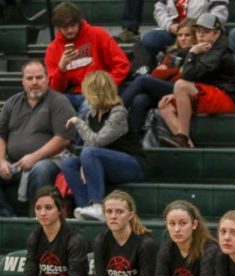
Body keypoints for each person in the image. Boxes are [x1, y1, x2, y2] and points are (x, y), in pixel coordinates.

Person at [60, 71, 146, 222]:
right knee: (68, 164)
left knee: (90, 152)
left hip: (131, 165)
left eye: (88, 92)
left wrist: (77, 122)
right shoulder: (91, 114)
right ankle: (86, 207)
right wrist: (84, 166)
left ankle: (98, 205)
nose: (85, 97)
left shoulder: (119, 112)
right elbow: (89, 144)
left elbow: (97, 142)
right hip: (104, 163)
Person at [0, 61, 76, 216]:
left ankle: (36, 220)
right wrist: (1, 161)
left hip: (53, 160)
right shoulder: (11, 103)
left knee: (41, 169)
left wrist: (34, 157)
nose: (34, 82)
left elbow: (63, 139)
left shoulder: (59, 101)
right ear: (23, 81)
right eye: (29, 78)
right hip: (16, 163)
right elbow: (1, 135)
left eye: (39, 77)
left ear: (47, 79)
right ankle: (6, 215)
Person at [158, 13, 235, 149]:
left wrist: (192, 52)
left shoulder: (219, 51)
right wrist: (176, 96)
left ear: (216, 33)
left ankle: (182, 137)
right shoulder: (205, 47)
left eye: (206, 32)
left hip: (228, 98)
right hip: (210, 94)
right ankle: (187, 146)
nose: (201, 35)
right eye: (198, 31)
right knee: (165, 106)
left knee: (180, 85)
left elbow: (186, 76)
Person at [44, 2, 131, 113]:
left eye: (73, 25)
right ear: (58, 27)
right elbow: (56, 89)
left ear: (79, 22)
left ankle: (80, 129)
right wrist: (61, 69)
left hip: (98, 93)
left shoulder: (97, 34)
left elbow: (122, 64)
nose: (70, 30)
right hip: (71, 94)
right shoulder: (53, 49)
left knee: (88, 107)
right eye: (65, 27)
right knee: (51, 105)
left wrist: (106, 88)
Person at [122, 19, 198, 134]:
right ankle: (134, 136)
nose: (182, 38)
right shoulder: (172, 52)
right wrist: (175, 71)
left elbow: (184, 76)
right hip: (165, 88)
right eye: (180, 35)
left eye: (187, 35)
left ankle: (113, 110)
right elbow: (156, 74)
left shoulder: (196, 53)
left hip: (181, 91)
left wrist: (168, 71)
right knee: (140, 100)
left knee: (143, 80)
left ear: (195, 36)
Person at [140, 0, 230, 64]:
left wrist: (199, 27)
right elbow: (159, 10)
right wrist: (169, 25)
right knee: (149, 39)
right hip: (175, 32)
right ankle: (152, 69)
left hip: (200, 33)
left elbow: (219, 14)